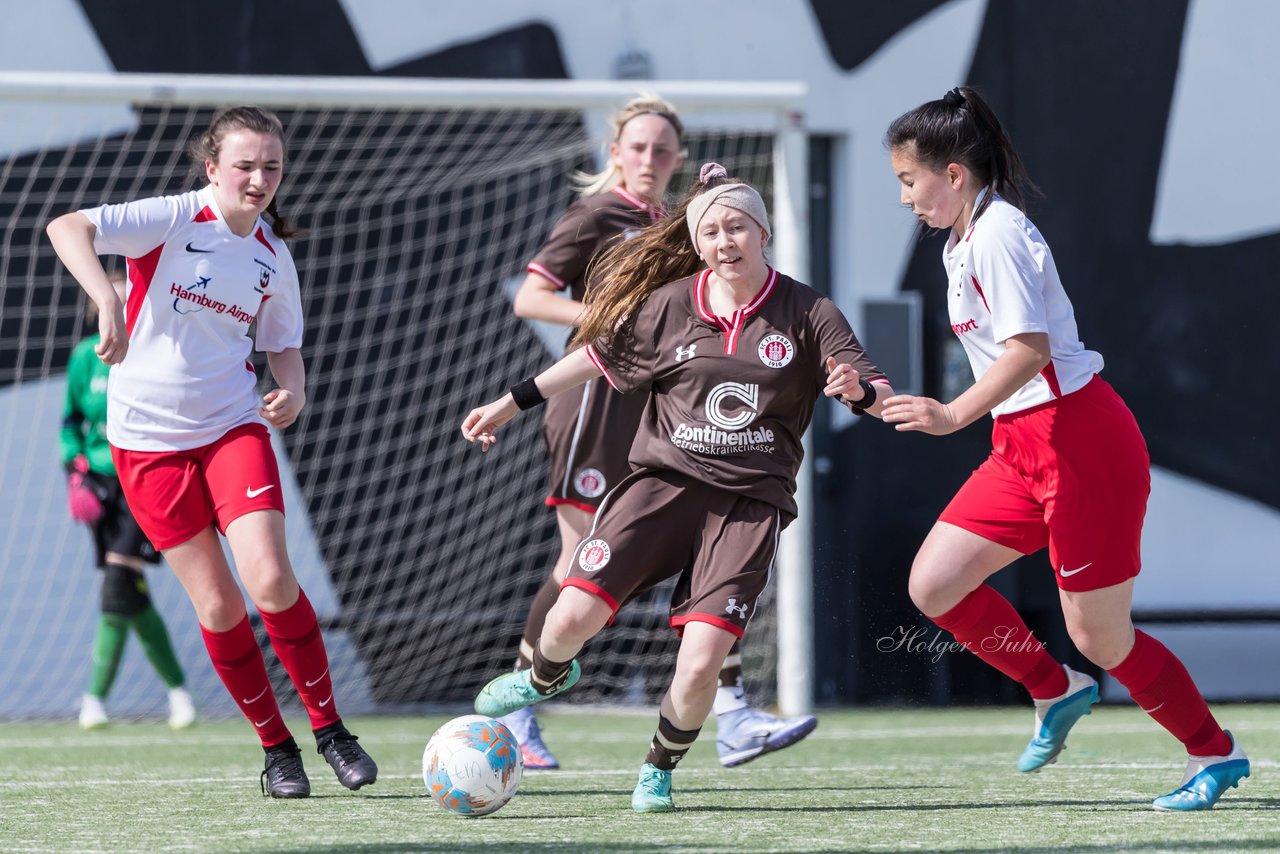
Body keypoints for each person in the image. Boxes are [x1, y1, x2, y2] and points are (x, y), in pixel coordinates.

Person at [463, 163, 893, 812]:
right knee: (569, 617)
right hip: (661, 487)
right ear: (697, 244)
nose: (726, 241)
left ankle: (658, 770)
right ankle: (545, 677)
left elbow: (868, 380)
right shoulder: (669, 306)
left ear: (764, 231)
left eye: (738, 227)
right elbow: (593, 358)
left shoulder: (808, 311)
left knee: (698, 666)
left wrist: (860, 392)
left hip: (747, 508)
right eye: (713, 230)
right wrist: (508, 404)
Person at [880, 86, 1248, 811]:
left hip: (1080, 443)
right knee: (934, 586)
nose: (904, 198)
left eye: (907, 179)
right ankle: (1055, 689)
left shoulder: (997, 234)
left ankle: (1216, 754)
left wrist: (952, 413)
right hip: (1021, 444)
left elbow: (1028, 350)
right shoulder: (963, 240)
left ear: (953, 174)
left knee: (1102, 637)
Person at [46, 106, 377, 799]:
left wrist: (293, 391)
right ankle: (276, 750)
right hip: (147, 447)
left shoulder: (271, 255)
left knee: (269, 580)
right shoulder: (171, 218)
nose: (259, 179)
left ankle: (331, 731)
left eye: (272, 167)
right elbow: (67, 226)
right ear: (212, 168)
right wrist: (106, 296)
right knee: (221, 607)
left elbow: (283, 345)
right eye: (245, 165)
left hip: (232, 428)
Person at [506, 96, 816, 770]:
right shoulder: (596, 214)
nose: (650, 160)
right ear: (614, 152)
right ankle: (516, 715)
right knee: (578, 565)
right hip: (594, 407)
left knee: (715, 559)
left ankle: (730, 714)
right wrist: (616, 317)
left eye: (663, 150)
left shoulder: (681, 225)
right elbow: (530, 297)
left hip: (666, 416)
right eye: (638, 147)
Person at [62, 271, 196, 732]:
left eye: (126, 298)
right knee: (129, 594)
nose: (117, 306)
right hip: (99, 486)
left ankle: (94, 700)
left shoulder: (149, 353)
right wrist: (73, 471)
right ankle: (179, 693)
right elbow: (71, 422)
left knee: (119, 583)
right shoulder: (83, 357)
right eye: (110, 300)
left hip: (140, 478)